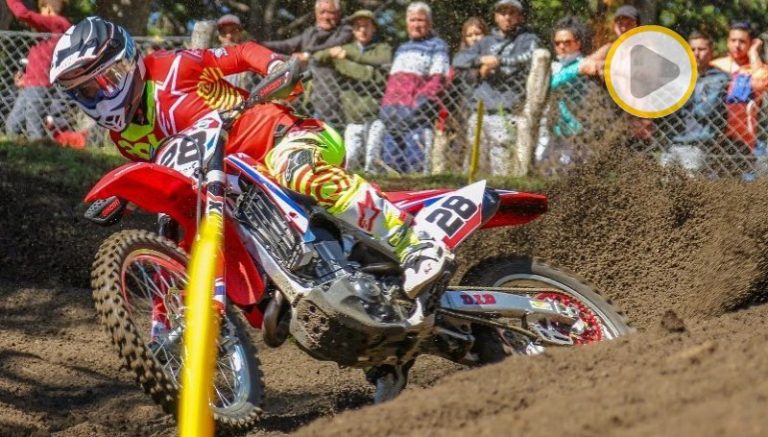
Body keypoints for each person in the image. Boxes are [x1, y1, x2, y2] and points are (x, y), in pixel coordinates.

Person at [49, 17, 449, 298]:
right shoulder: (125, 136)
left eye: (101, 83)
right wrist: (129, 195)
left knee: (293, 168)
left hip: (287, 138)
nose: (97, 98)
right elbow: (166, 169)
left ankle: (415, 244)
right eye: (85, 93)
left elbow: (239, 53)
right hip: (235, 187)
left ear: (126, 63)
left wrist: (276, 67)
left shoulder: (173, 68)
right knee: (176, 224)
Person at [452, 0, 539, 176]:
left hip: (507, 111)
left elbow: (529, 57)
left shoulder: (528, 39)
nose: (507, 17)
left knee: (502, 169)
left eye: (512, 13)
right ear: (495, 16)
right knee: (473, 169)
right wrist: (481, 60)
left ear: (519, 17)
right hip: (479, 111)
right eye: (502, 13)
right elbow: (458, 60)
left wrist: (498, 62)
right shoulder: (485, 42)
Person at [313, 9, 392, 173]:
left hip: (375, 114)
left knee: (373, 160)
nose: (362, 30)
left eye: (366, 26)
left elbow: (382, 61)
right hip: (352, 115)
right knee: (350, 160)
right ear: (353, 30)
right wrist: (331, 52)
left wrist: (350, 57)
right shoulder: (345, 48)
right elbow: (317, 56)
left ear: (374, 28)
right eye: (358, 26)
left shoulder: (381, 48)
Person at [377, 2, 449, 174]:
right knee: (391, 169)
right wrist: (386, 108)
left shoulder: (437, 46)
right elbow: (392, 82)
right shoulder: (402, 48)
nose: (416, 24)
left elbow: (438, 81)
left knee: (416, 171)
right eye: (412, 20)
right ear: (407, 23)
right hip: (392, 116)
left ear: (429, 23)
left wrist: (417, 106)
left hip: (416, 119)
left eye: (420, 20)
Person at [263, 0, 352, 128]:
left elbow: (331, 46)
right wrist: (258, 45)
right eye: (322, 12)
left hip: (334, 102)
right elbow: (287, 45)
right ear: (316, 13)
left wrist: (307, 55)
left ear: (338, 14)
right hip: (309, 100)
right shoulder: (311, 32)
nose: (326, 16)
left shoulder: (346, 31)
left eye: (331, 12)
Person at [659, 31, 729, 173]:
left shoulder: (718, 78)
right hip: (672, 142)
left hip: (698, 144)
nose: (696, 53)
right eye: (692, 49)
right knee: (662, 180)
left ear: (711, 52)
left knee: (692, 182)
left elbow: (704, 110)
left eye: (701, 49)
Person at [4, 0, 70, 141]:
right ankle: (18, 150)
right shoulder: (54, 29)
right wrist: (26, 78)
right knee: (12, 124)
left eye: (41, 10)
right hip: (32, 82)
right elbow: (44, 58)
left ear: (48, 8)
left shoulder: (56, 23)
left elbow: (23, 14)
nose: (41, 15)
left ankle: (38, 151)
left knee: (33, 125)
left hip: (39, 84)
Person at [537, 16, 592, 174]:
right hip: (553, 128)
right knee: (544, 169)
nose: (561, 46)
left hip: (575, 131)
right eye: (557, 43)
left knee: (568, 173)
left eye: (567, 42)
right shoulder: (556, 66)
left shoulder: (583, 65)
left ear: (578, 43)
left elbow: (551, 85)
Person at [710, 21, 768, 154]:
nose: (737, 45)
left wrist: (753, 53)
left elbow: (761, 82)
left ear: (750, 43)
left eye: (742, 41)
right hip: (716, 136)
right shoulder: (716, 65)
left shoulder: (757, 67)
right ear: (727, 42)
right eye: (733, 40)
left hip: (746, 140)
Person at [216, 13, 252, 90]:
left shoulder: (250, 57)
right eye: (223, 32)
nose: (229, 36)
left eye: (233, 31)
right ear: (219, 37)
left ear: (240, 33)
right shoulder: (210, 60)